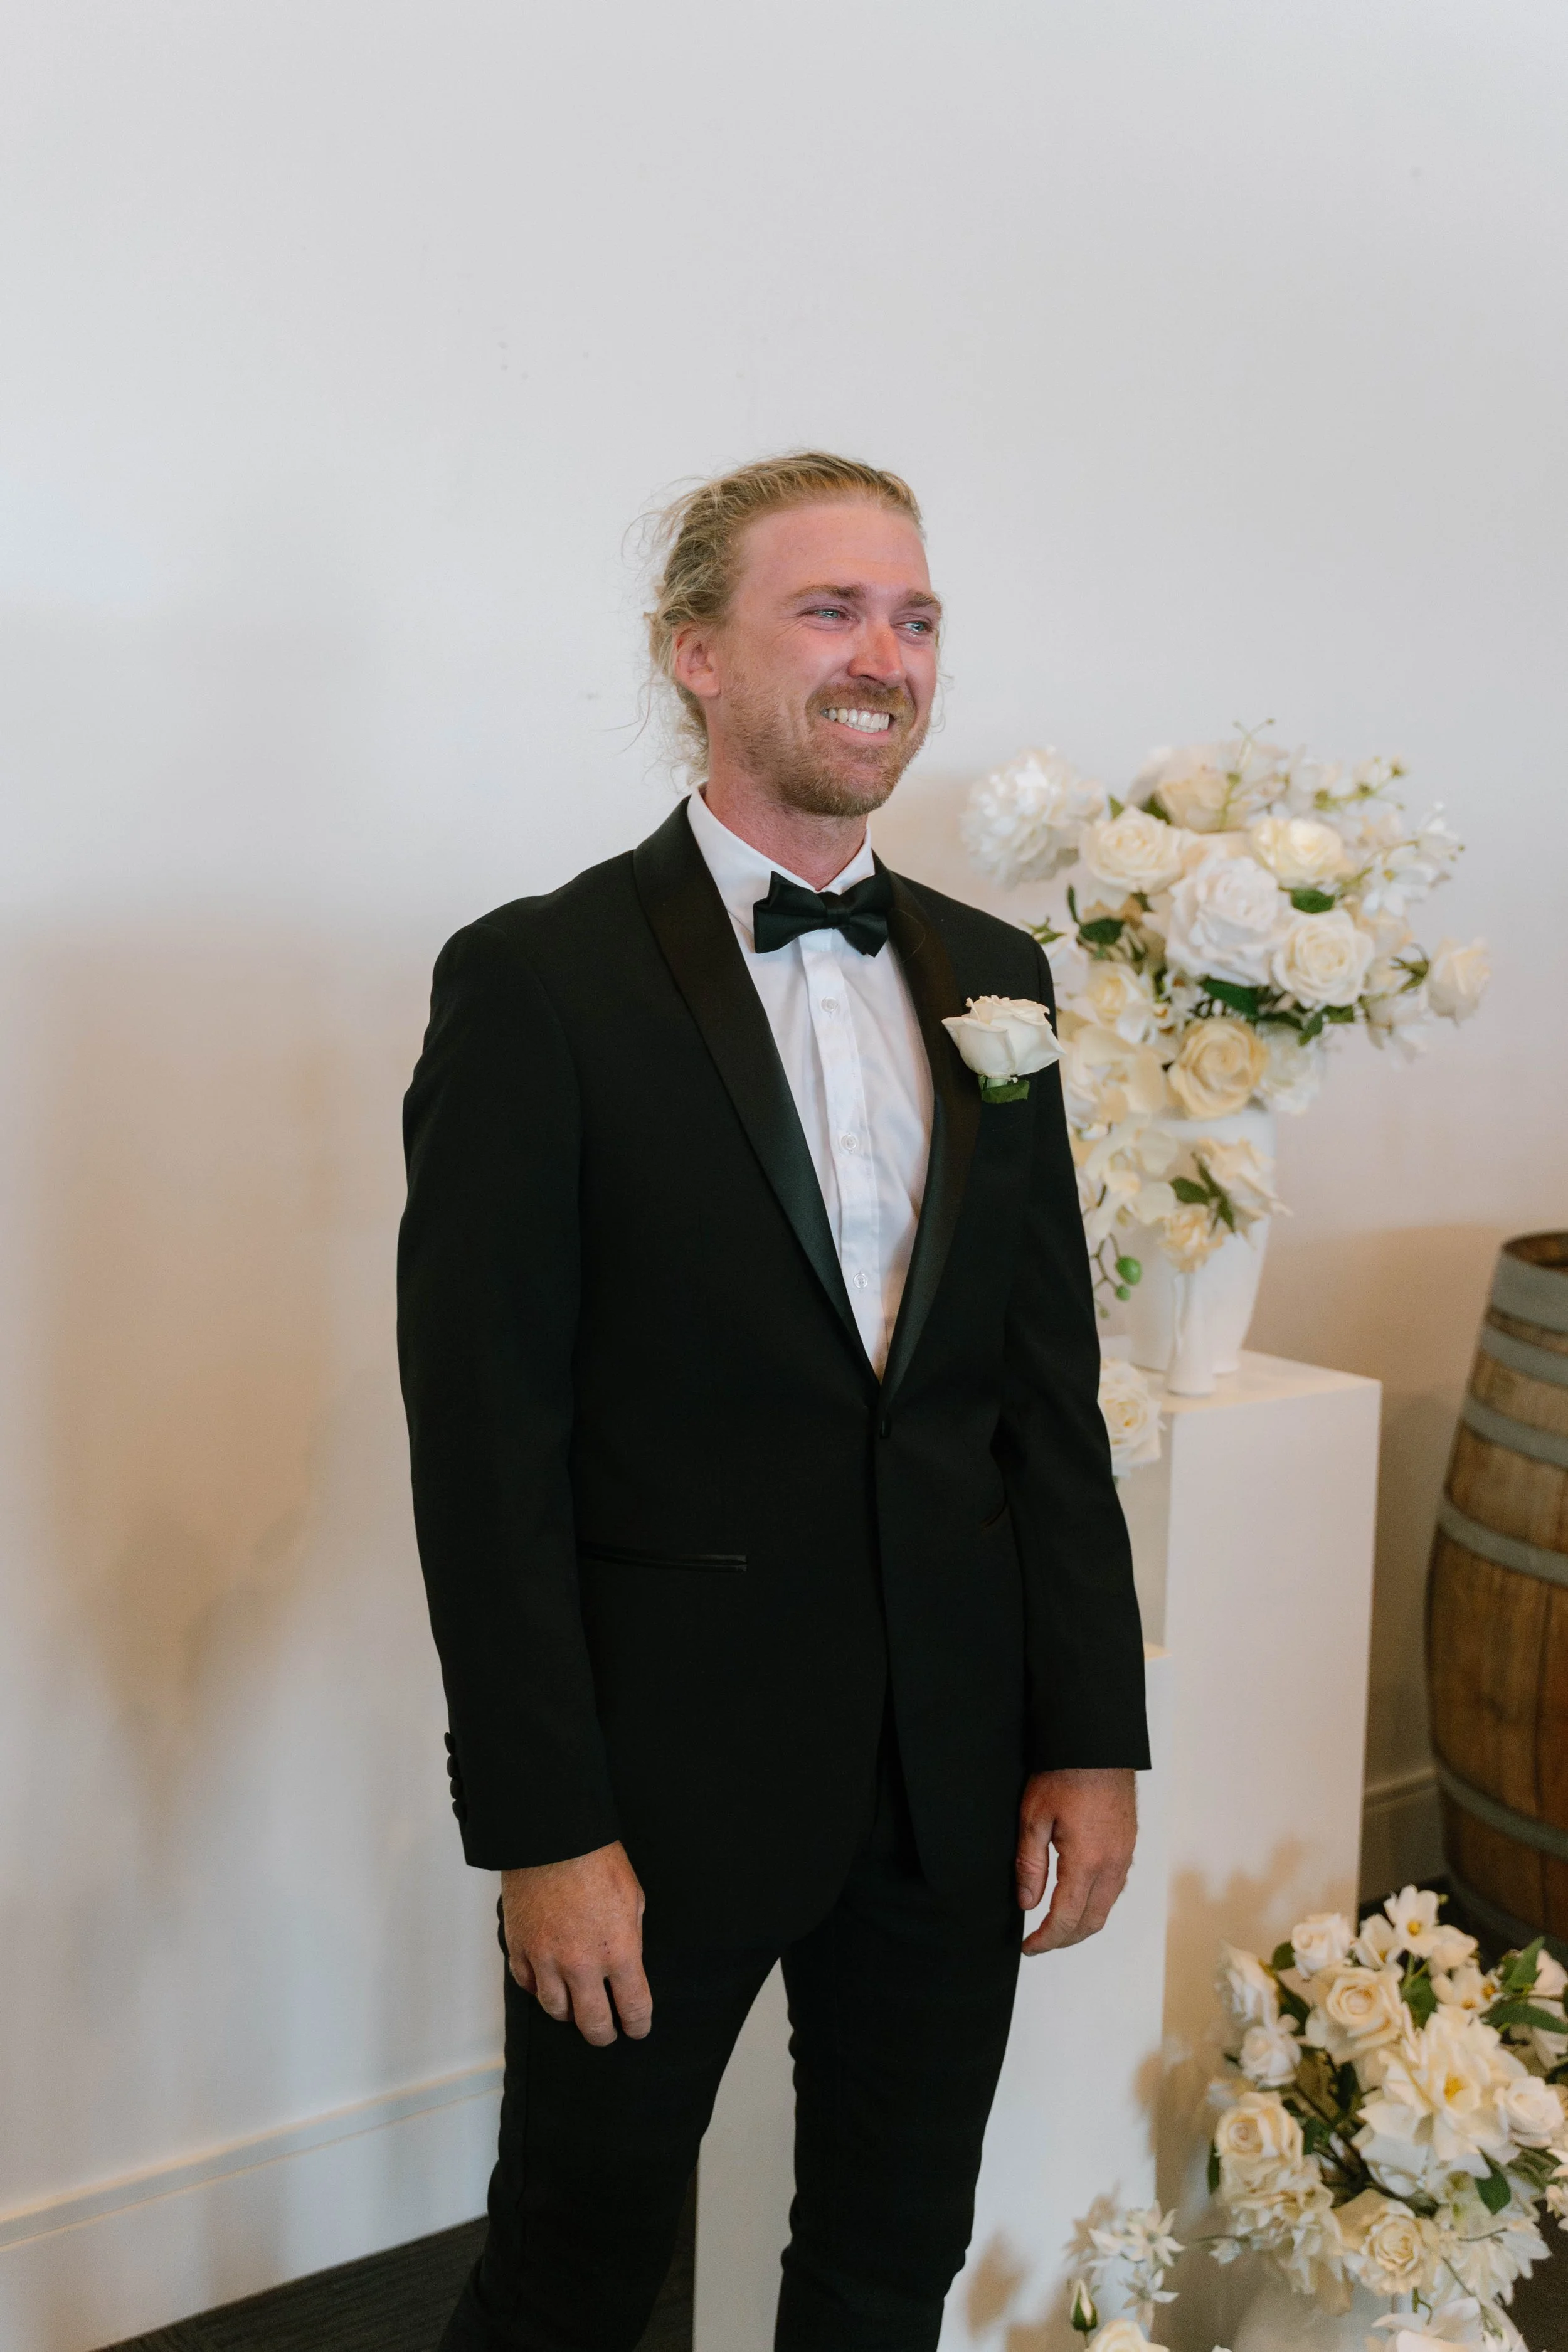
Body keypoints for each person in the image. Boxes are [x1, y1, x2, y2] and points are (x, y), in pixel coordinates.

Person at [398, 451, 1148, 2352]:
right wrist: (544, 1827)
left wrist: (1087, 1731)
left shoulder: (1000, 978)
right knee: (570, 2269)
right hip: (660, 1781)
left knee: (890, 2253)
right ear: (696, 656)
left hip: (952, 1771)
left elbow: (1036, 1393)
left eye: (912, 617)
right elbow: (486, 1446)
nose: (881, 655)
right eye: (827, 609)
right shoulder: (538, 982)